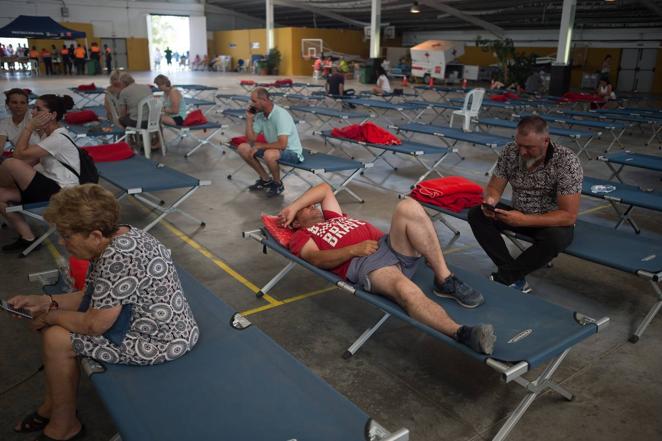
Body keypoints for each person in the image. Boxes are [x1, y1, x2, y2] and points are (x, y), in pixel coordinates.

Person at [8, 183, 199, 441]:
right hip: (163, 325)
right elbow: (93, 297)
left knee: (56, 337)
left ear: (95, 235)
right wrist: (45, 301)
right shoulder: (123, 237)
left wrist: (50, 316)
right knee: (56, 331)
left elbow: (94, 325)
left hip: (159, 341)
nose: (62, 242)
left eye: (67, 235)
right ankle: (53, 409)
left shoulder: (118, 256)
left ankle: (64, 424)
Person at [279, 183, 495, 354]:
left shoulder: (333, 217)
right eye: (307, 208)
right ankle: (462, 333)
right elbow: (316, 259)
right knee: (406, 291)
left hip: (388, 244)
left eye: (312, 204)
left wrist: (295, 207)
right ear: (296, 224)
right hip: (368, 264)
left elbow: (324, 188)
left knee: (408, 205)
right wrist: (353, 250)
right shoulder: (301, 236)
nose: (313, 206)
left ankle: (444, 279)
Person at [467, 116, 582, 293]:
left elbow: (568, 216)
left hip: (550, 222)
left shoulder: (566, 161)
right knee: (476, 214)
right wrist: (490, 201)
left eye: (529, 147)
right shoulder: (510, 152)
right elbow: (494, 187)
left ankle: (506, 277)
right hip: (517, 214)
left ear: (546, 141)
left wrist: (525, 220)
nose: (522, 151)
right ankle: (514, 275)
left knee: (556, 239)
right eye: (519, 144)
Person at [0, 94, 78, 252]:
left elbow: (18, 155)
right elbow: (31, 160)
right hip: (47, 183)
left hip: (61, 191)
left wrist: (29, 127)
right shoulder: (45, 134)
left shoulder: (57, 138)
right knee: (0, 194)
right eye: (33, 107)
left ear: (53, 115)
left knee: (9, 163)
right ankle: (28, 238)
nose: (33, 112)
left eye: (38, 108)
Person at [236, 87, 304, 197]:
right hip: (273, 148)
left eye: (254, 101)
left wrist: (261, 146)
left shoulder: (281, 115)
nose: (251, 104)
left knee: (269, 154)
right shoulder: (260, 116)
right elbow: (250, 140)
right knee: (243, 148)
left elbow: (282, 145)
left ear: (264, 100)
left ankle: (277, 184)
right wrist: (249, 119)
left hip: (291, 152)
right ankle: (266, 180)